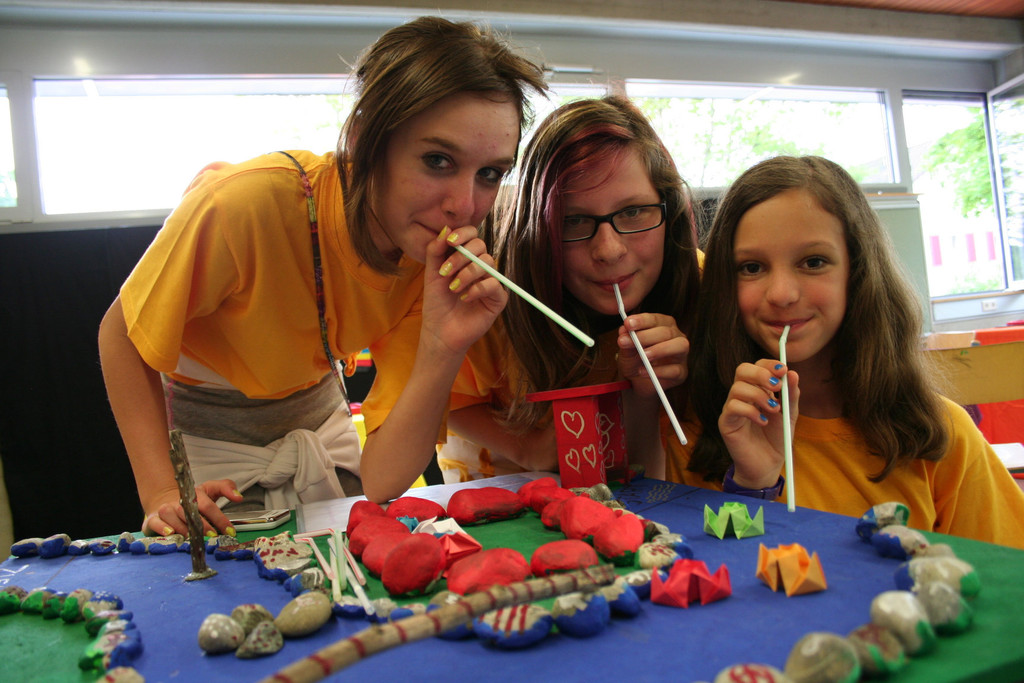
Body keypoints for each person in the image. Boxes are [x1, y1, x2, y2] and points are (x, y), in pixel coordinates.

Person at [98, 17, 547, 537]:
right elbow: (122, 334)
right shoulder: (246, 205)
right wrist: (159, 491)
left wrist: (444, 346)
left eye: (490, 173)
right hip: (206, 433)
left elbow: (382, 480)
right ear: (362, 138)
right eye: (437, 160)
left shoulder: (427, 262)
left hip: (320, 422)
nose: (464, 206)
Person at [678, 154, 1024, 548]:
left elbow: (1005, 575)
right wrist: (752, 483)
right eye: (752, 267)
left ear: (858, 273)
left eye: (813, 262)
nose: (782, 294)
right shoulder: (696, 432)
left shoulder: (942, 435)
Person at [438, 96, 701, 483]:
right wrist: (528, 449)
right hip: (502, 480)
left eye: (632, 212)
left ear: (669, 209)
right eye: (573, 221)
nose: (608, 251)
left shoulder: (702, 283)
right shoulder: (491, 297)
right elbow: (449, 399)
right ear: (537, 231)